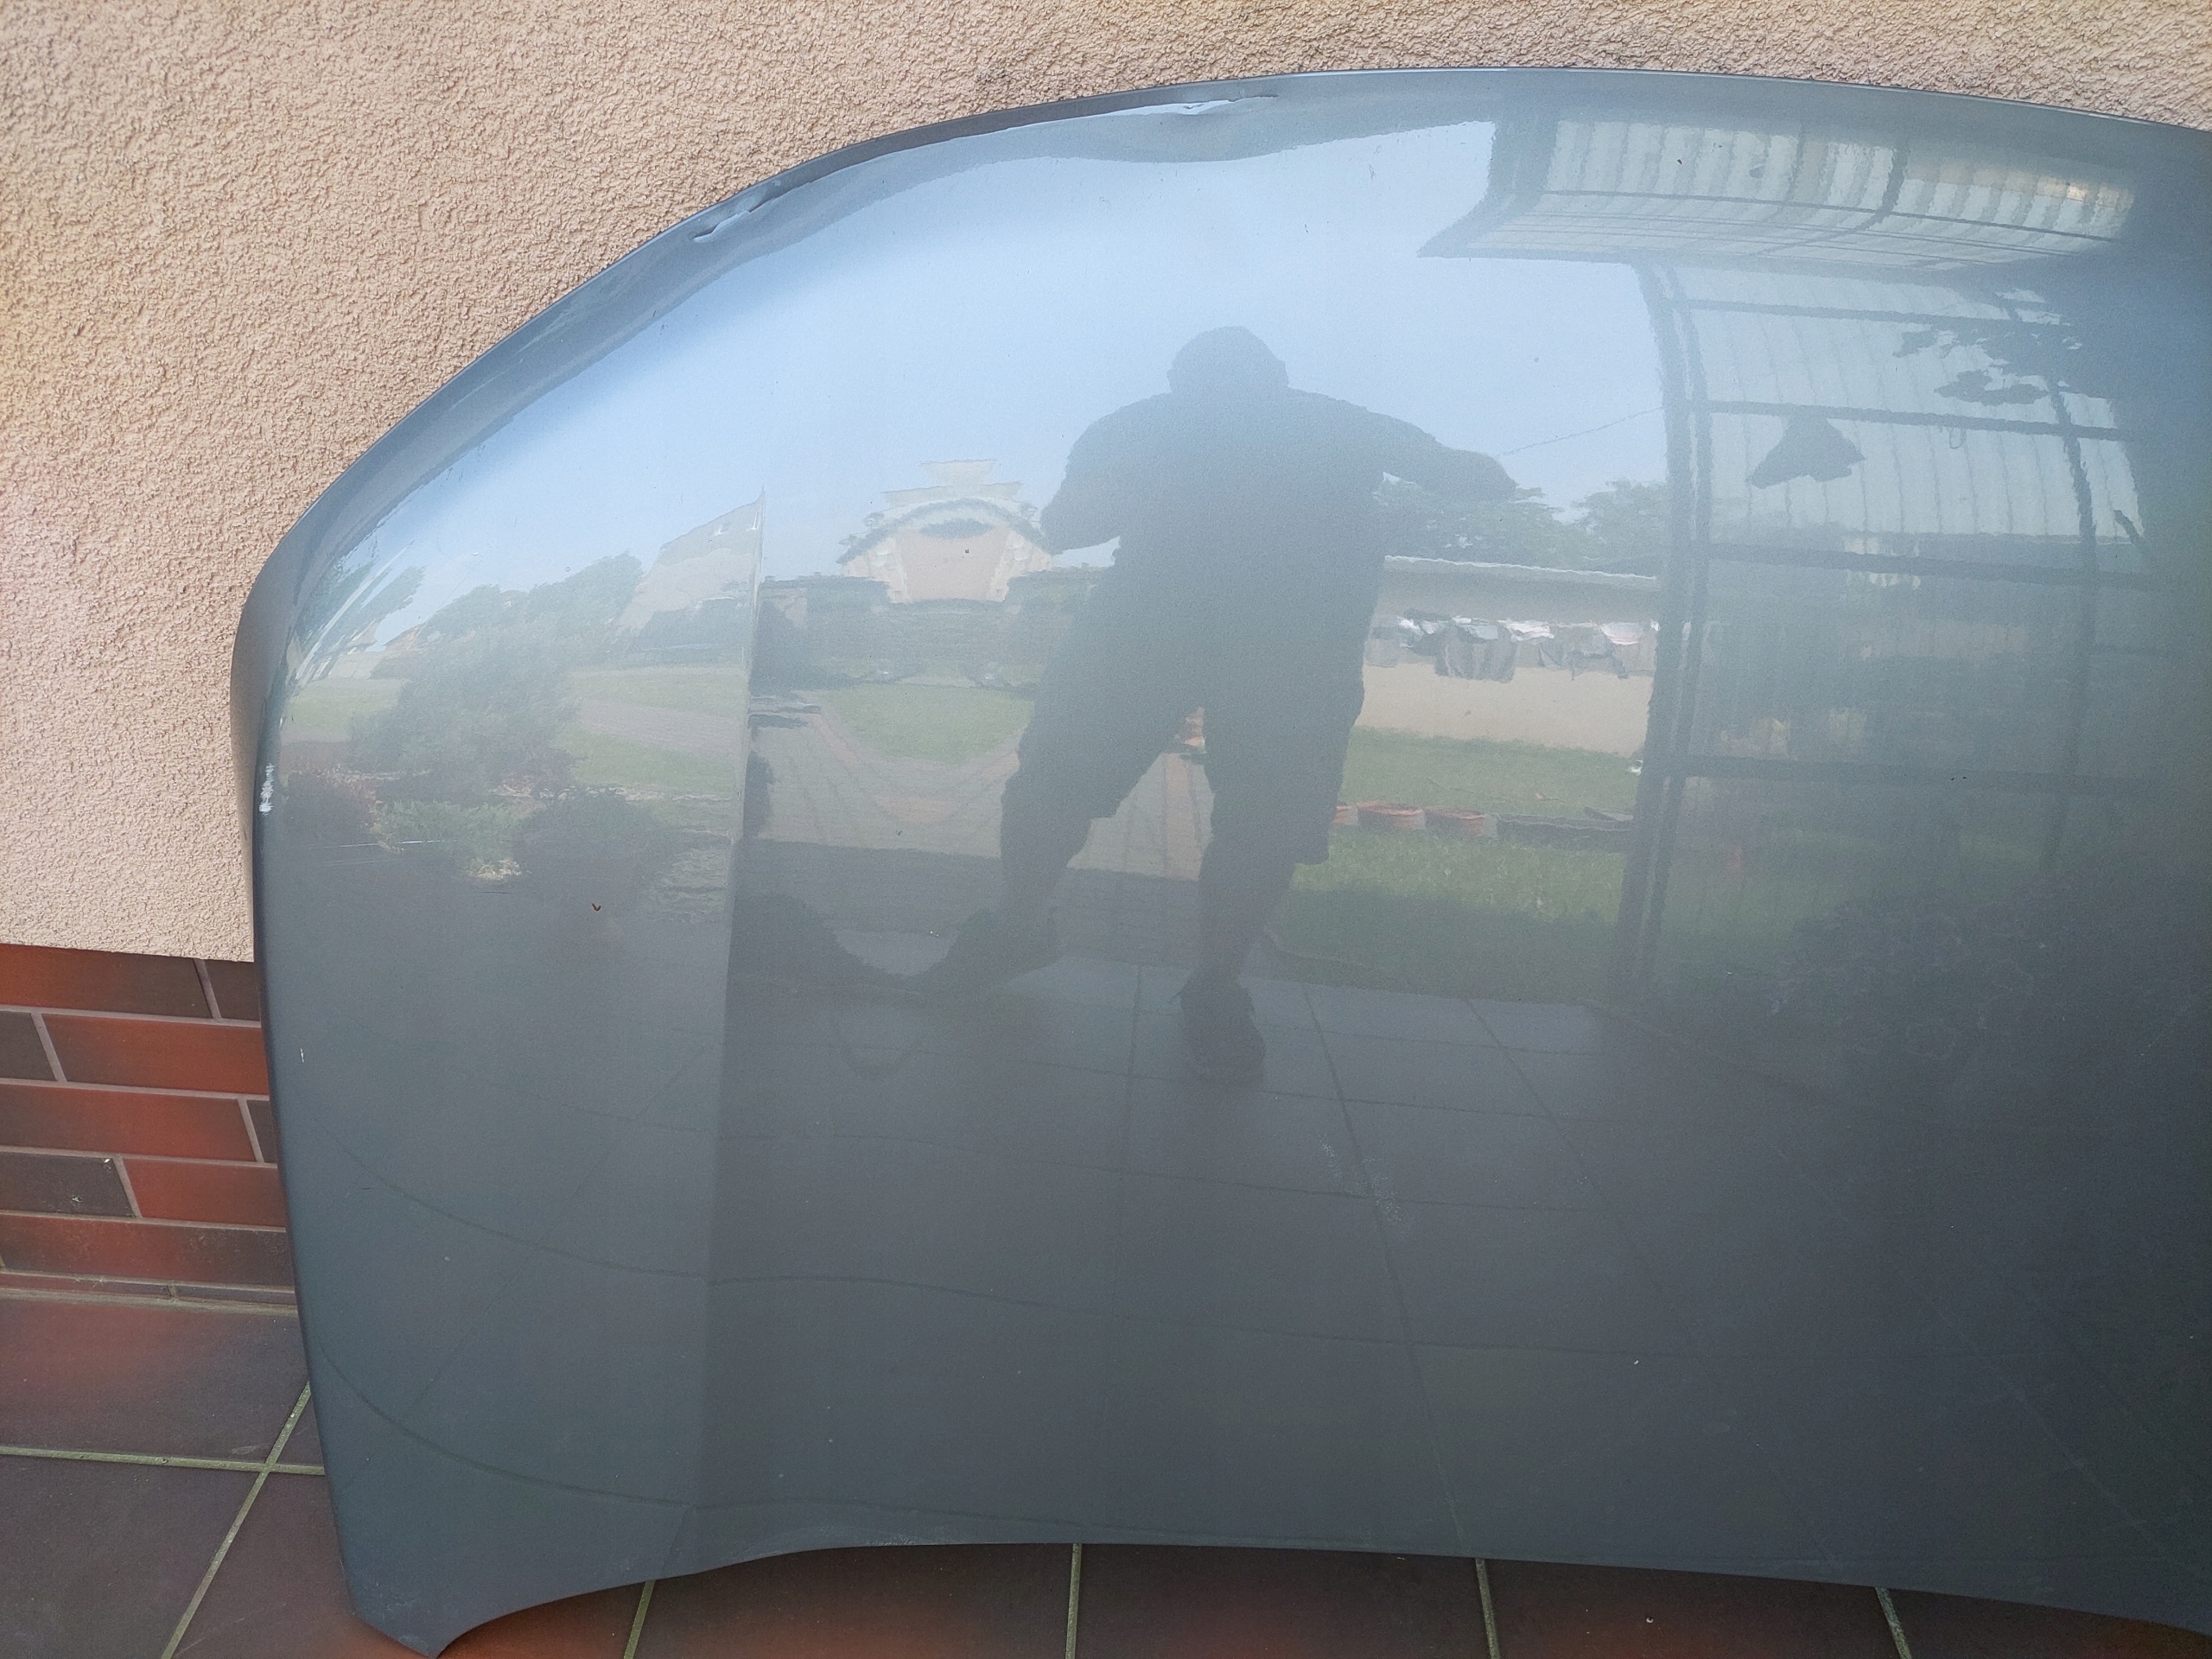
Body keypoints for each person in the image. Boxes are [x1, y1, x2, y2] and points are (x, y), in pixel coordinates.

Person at [917, 327, 1516, 1080]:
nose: (1229, 392)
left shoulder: (1333, 421)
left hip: (1291, 642)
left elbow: (1486, 481)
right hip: (1148, 626)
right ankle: (1019, 930)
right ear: (1178, 383)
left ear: (1280, 377)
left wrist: (1422, 464)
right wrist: (1154, 472)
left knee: (1267, 817)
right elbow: (1065, 528)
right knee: (1050, 783)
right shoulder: (1142, 427)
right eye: (1209, 377)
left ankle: (1215, 983)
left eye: (1244, 377)